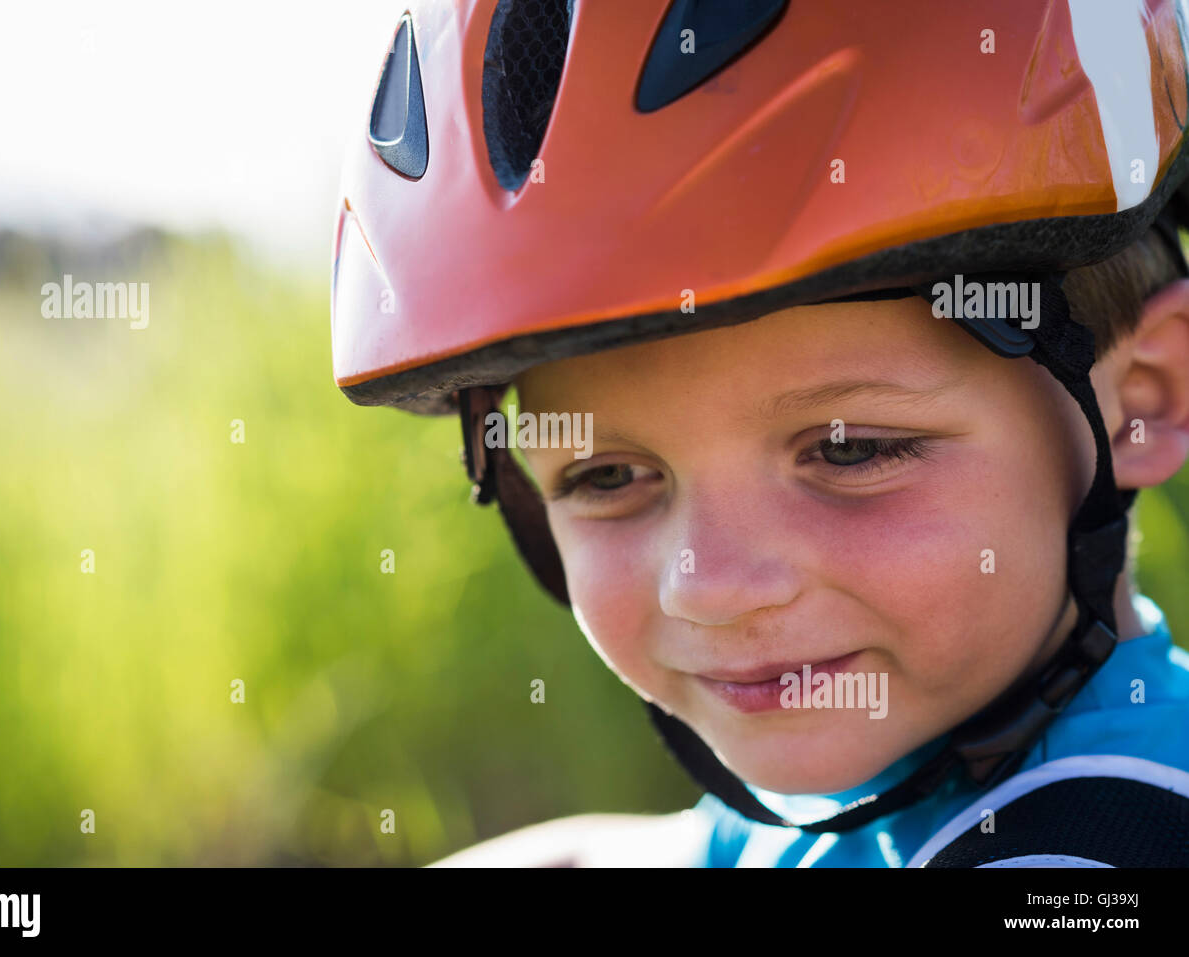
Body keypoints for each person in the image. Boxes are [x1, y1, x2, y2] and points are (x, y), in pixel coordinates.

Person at [331, 0, 1189, 866]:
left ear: (1145, 397)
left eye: (850, 449)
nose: (709, 588)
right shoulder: (852, 809)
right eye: (608, 477)